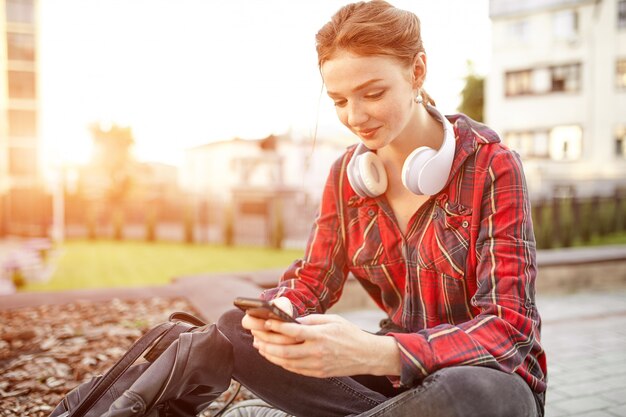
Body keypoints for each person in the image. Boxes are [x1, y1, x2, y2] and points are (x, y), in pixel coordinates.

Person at [102, 1, 546, 416]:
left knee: (463, 393)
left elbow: (510, 329)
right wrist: (282, 314)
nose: (354, 117)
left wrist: (377, 352)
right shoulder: (346, 176)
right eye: (338, 100)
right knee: (236, 327)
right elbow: (314, 278)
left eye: (372, 93)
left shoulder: (492, 166)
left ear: (417, 71)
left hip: (489, 384)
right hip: (394, 388)